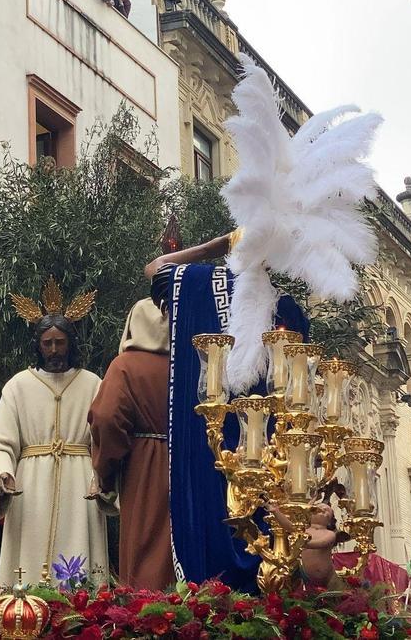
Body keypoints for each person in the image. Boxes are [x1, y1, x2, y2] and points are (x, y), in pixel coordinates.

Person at [143, 232, 310, 591]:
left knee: (265, 533)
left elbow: (157, 269)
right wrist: (219, 246)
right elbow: (155, 270)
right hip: (213, 438)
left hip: (264, 450)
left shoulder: (284, 310)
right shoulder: (203, 284)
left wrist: (215, 246)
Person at [0, 282, 105, 587]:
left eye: (60, 342)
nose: (53, 350)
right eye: (47, 343)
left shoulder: (92, 384)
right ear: (38, 345)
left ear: (70, 344)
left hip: (80, 485)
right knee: (29, 561)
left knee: (78, 560)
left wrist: (103, 476)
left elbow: (105, 441)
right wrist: (2, 474)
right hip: (31, 487)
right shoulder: (18, 386)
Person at [89, 298, 174, 591]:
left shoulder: (124, 366)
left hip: (144, 464)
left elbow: (106, 418)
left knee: (144, 541)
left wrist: (105, 470)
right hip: (185, 460)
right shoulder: (188, 366)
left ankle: (146, 620)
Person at [266, 502, 344, 589]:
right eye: (318, 509)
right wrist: (276, 512)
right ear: (310, 515)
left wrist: (302, 542)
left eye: (326, 511)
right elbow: (289, 526)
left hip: (327, 577)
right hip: (303, 574)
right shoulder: (304, 531)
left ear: (330, 520)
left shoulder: (330, 534)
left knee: (332, 596)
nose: (322, 510)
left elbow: (321, 543)